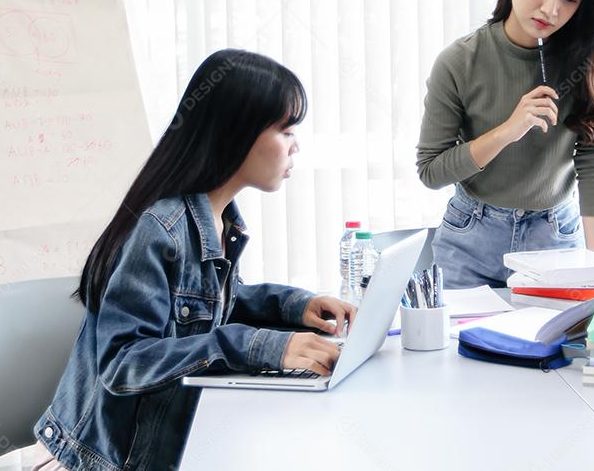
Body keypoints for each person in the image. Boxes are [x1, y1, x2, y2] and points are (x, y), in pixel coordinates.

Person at [28, 49, 356, 470]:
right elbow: (123, 362)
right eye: (287, 130)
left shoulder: (221, 220)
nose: (296, 145)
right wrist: (256, 346)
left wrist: (296, 306)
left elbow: (211, 305)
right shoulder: (160, 229)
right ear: (237, 131)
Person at [416, 0, 594, 289]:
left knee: (569, 329)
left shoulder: (586, 65)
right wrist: (508, 131)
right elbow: (431, 171)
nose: (551, 9)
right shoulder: (459, 61)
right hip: (470, 241)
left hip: (555, 241)